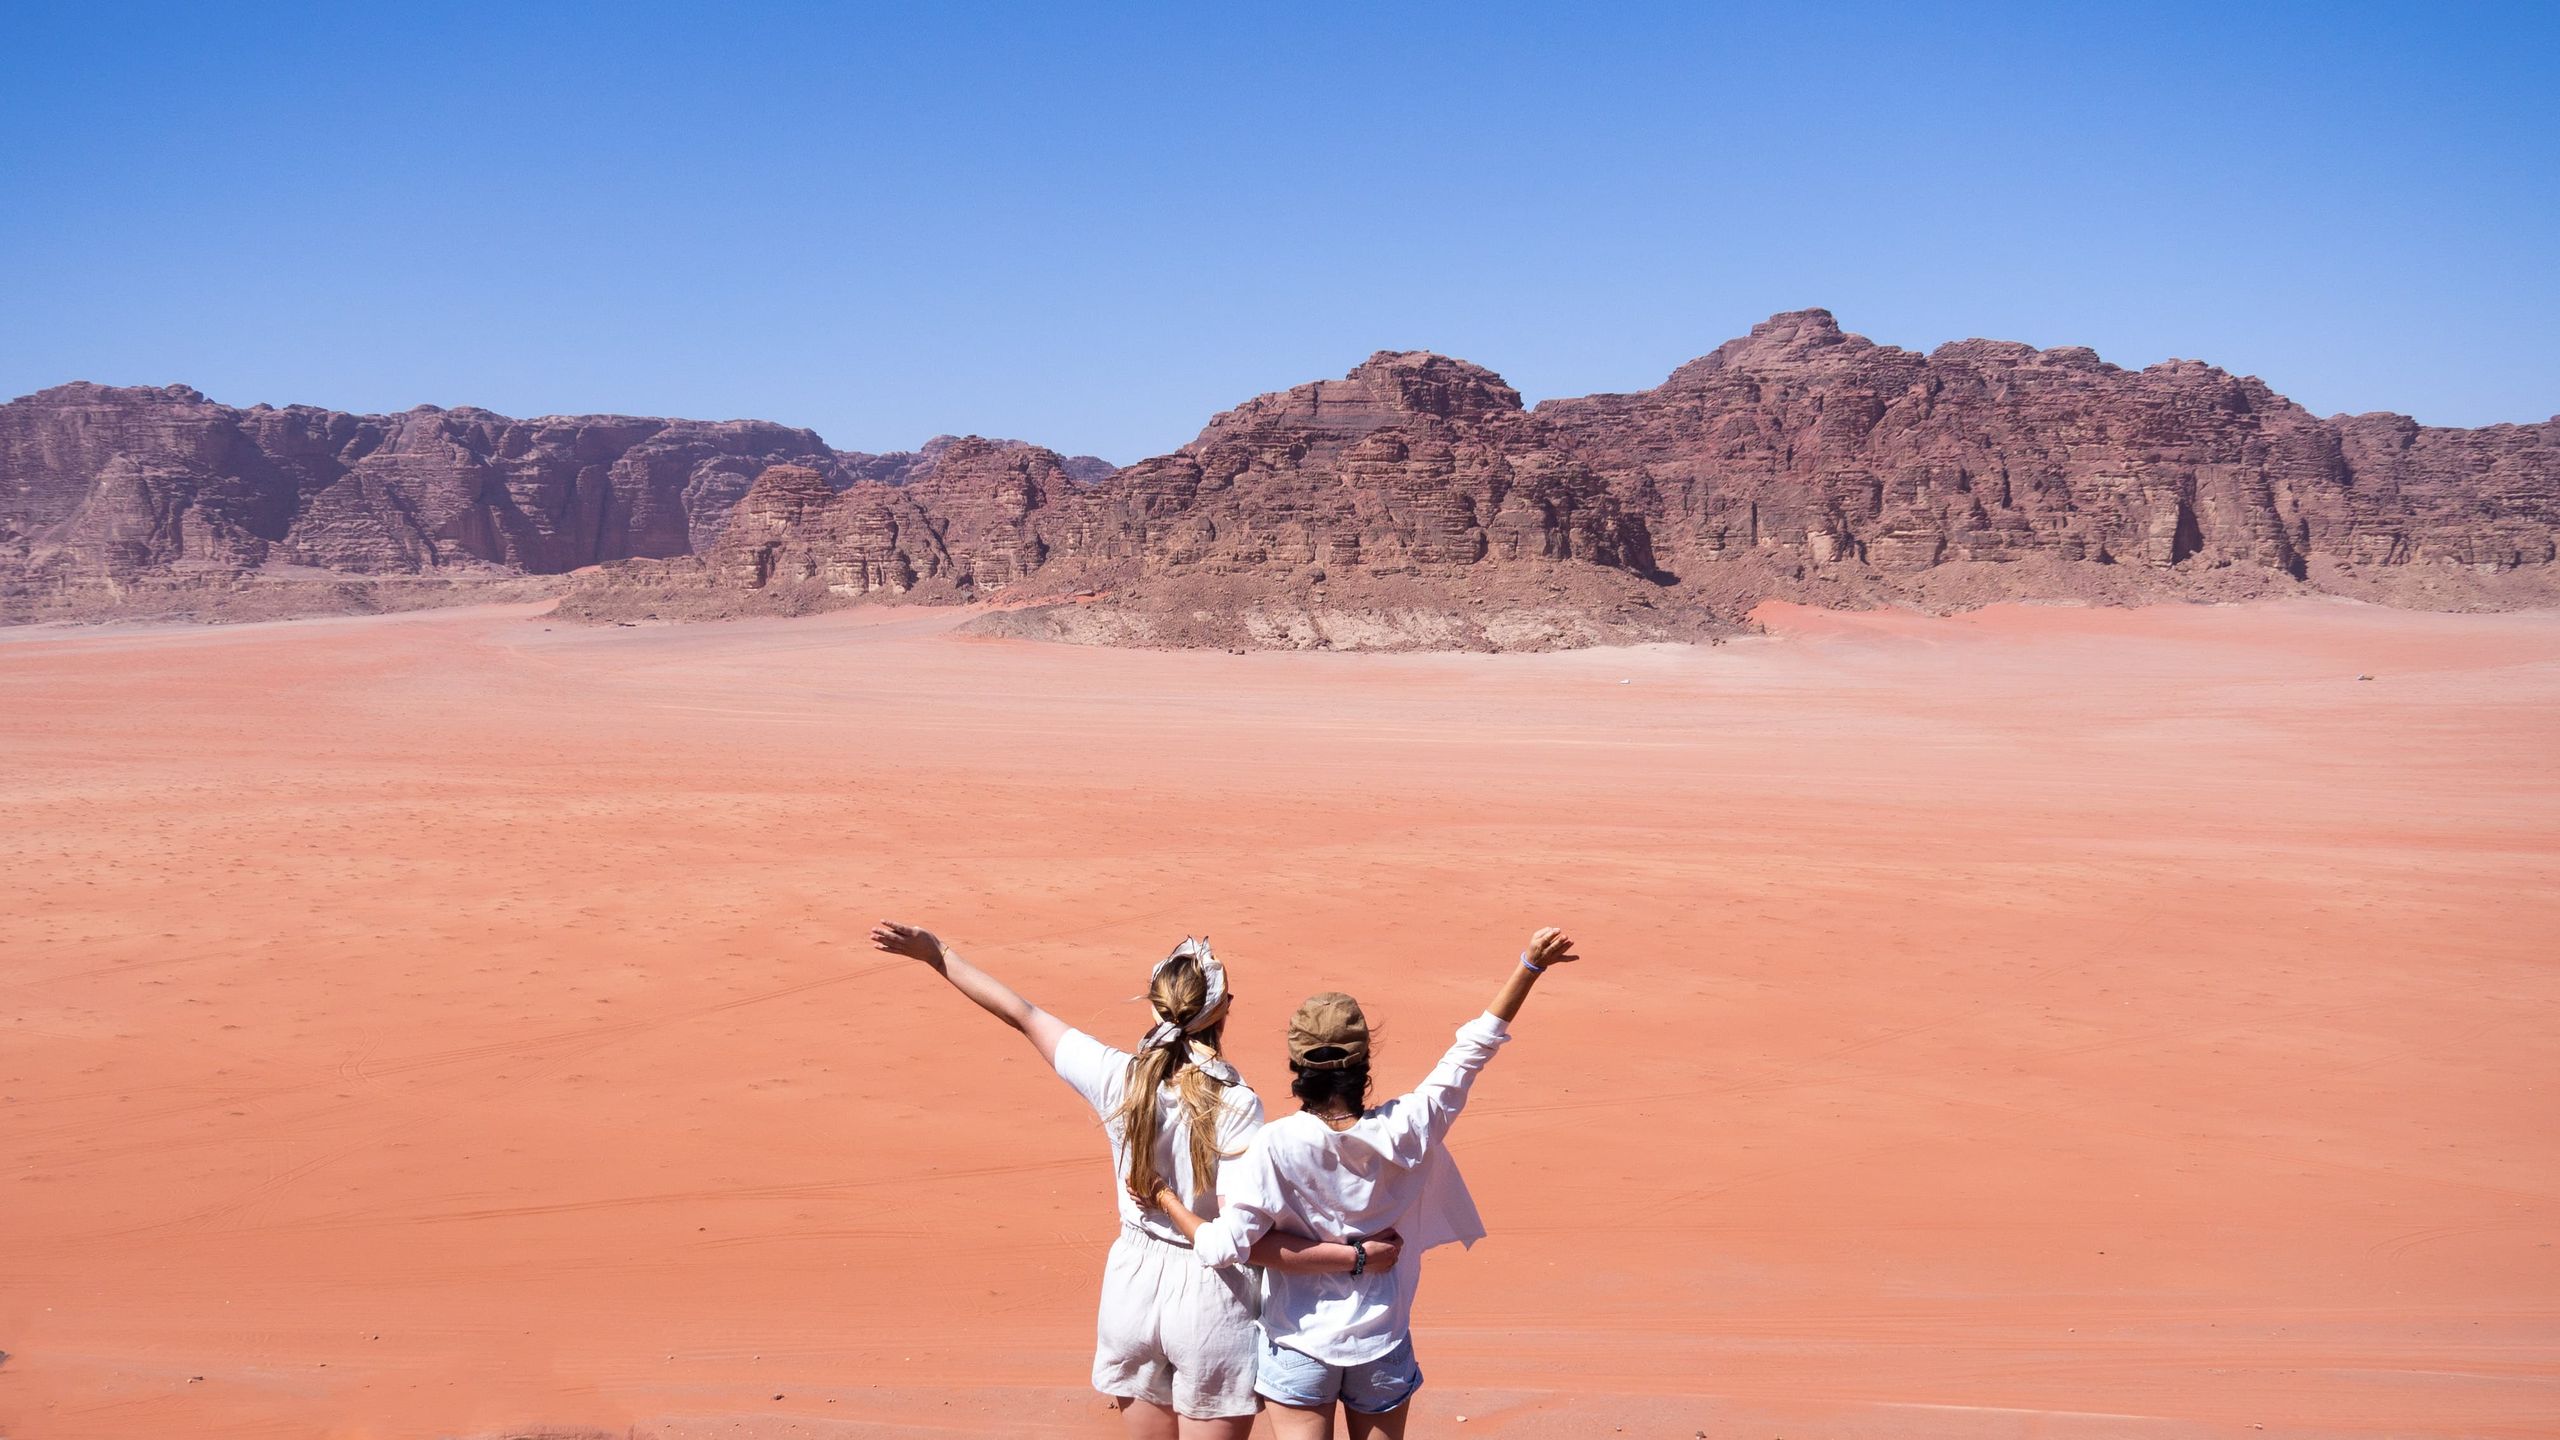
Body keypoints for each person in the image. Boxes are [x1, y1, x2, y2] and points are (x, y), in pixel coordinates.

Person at [869, 921, 1405, 1440]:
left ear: (1154, 1006)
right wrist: (1356, 1257)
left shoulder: (1117, 1077)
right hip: (1212, 1300)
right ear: (1222, 1013)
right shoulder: (1239, 1105)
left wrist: (939, 954)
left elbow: (1023, 1014)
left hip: (1131, 1287)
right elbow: (1242, 1240)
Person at [1151, 926, 1581, 1439]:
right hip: (1382, 1343)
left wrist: (1164, 1197)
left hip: (1297, 1344)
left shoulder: (1273, 1144)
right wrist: (1529, 966)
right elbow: (1474, 1048)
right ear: (1363, 1061)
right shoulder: (1412, 1125)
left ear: (1296, 1065)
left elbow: (1225, 1247)